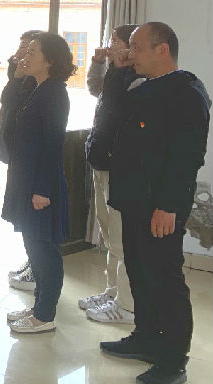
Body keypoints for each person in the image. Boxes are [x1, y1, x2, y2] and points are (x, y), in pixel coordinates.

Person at [101, 22, 210, 384]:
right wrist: (118, 71)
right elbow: (113, 112)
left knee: (165, 280)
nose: (130, 54)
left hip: (159, 206)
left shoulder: (187, 92)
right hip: (134, 200)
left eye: (137, 47)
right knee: (139, 272)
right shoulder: (144, 87)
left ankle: (174, 361)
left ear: (162, 50)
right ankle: (146, 338)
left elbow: (186, 157)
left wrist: (169, 205)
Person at [2, 32, 75, 334]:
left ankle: (45, 316)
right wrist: (19, 75)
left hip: (41, 185)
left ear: (50, 60)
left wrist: (42, 190)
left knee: (44, 251)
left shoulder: (54, 93)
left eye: (33, 52)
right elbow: (8, 104)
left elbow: (53, 144)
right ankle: (38, 307)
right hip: (27, 178)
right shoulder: (36, 87)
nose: (25, 56)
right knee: (33, 247)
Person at [80, 24, 140, 323]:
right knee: (108, 234)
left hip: (120, 167)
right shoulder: (117, 74)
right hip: (102, 161)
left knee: (122, 238)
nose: (110, 45)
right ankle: (113, 291)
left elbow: (116, 107)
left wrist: (117, 68)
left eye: (116, 41)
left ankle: (127, 304)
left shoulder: (137, 78)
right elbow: (96, 90)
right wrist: (97, 62)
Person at [0, 29, 41, 291]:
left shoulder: (42, 84)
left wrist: (19, 75)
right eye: (22, 46)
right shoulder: (22, 75)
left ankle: (37, 267)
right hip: (16, 150)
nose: (22, 52)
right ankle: (31, 260)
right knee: (21, 213)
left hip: (29, 157)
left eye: (29, 48)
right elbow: (7, 102)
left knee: (30, 215)